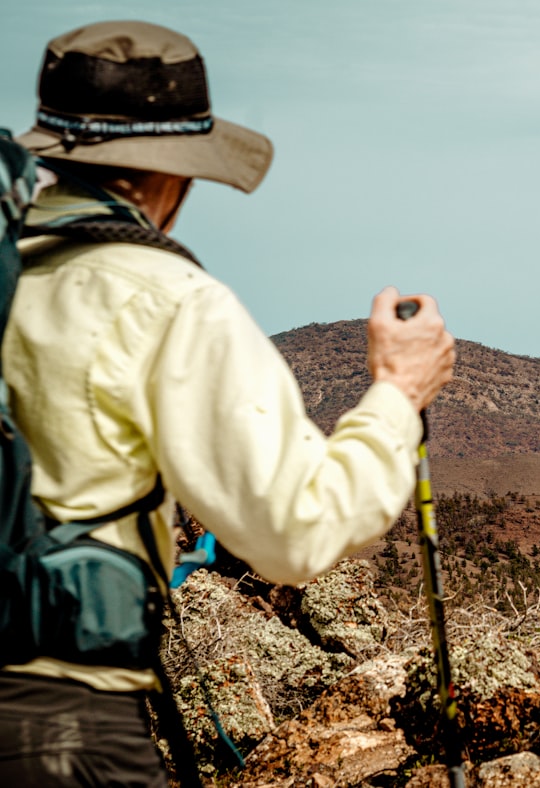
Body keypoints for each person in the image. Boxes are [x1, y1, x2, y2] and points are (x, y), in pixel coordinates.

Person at [0, 20, 455, 786]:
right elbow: (294, 530)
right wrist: (397, 395)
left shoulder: (16, 276)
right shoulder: (167, 298)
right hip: (59, 722)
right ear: (170, 176)